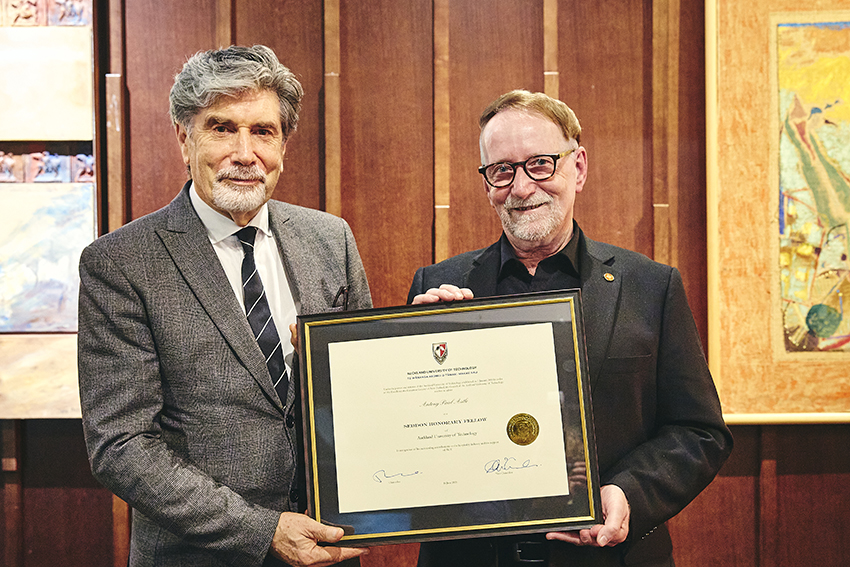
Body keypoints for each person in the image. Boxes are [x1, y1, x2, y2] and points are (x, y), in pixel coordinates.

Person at [408, 90, 733, 567]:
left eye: (540, 163)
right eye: (502, 170)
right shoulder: (437, 288)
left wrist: (629, 492)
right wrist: (417, 352)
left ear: (577, 167)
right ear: (487, 183)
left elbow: (700, 431)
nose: (521, 188)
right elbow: (415, 437)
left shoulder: (650, 286)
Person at [78, 45, 371, 567]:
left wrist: (431, 336)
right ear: (183, 138)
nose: (244, 152)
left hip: (326, 549)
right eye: (221, 128)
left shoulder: (331, 239)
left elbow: (365, 394)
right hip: (196, 556)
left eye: (263, 131)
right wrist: (262, 530)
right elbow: (121, 445)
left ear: (283, 143)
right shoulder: (120, 264)